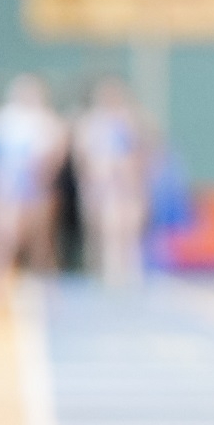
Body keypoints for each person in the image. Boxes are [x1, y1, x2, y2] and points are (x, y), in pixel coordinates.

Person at [0, 75, 69, 282]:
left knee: (40, 246)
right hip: (5, 190)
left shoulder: (47, 122)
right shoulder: (5, 119)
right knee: (2, 241)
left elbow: (53, 160)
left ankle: (44, 290)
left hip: (34, 191)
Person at [71, 78, 149, 285]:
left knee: (130, 227)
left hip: (127, 184)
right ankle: (108, 272)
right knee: (108, 228)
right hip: (103, 185)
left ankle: (132, 271)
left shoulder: (129, 120)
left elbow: (142, 152)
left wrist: (137, 179)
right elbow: (83, 156)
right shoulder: (91, 124)